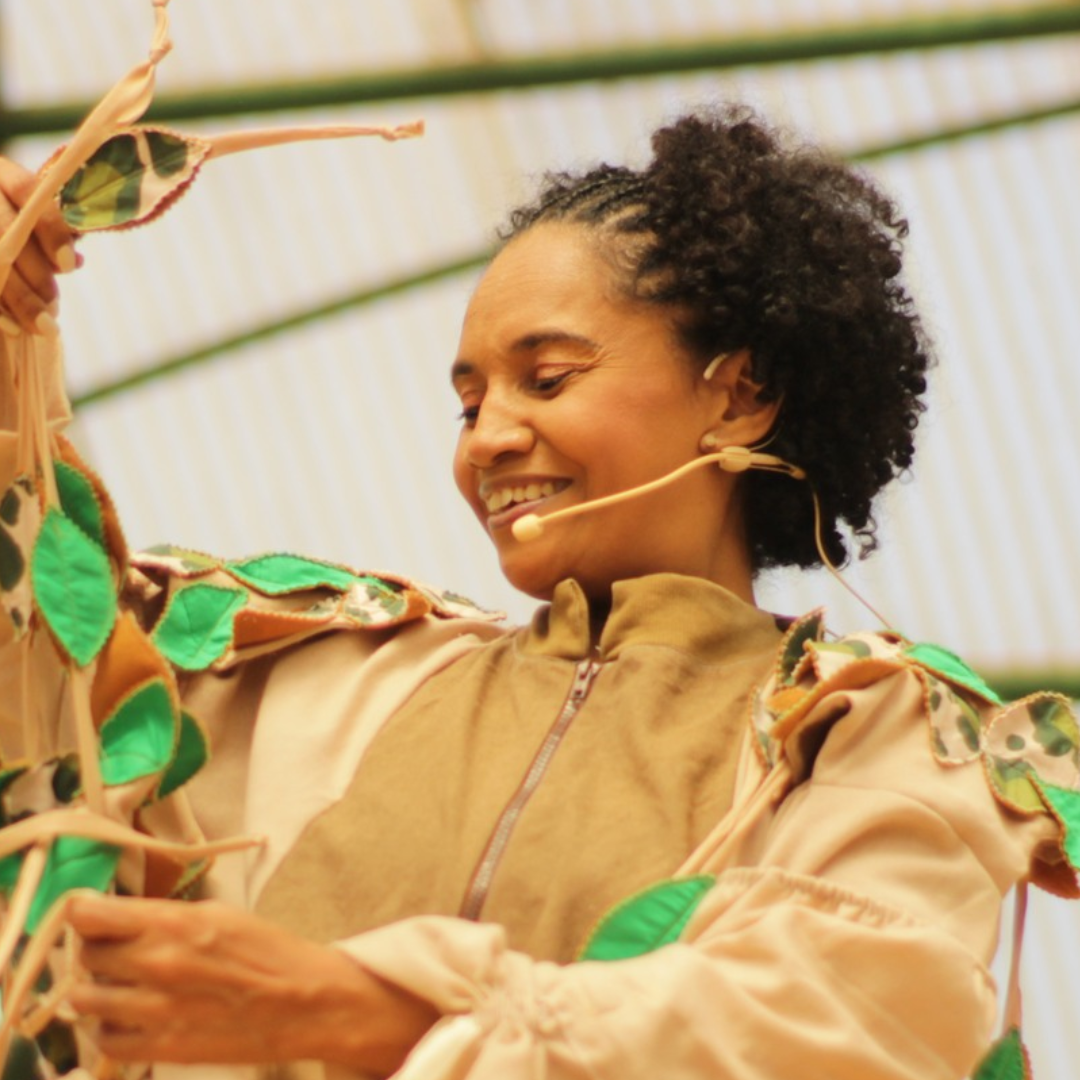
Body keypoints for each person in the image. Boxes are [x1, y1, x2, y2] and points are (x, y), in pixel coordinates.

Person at [0, 106, 1070, 1080]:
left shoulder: (875, 735)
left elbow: (845, 1016)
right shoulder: (301, 664)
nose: (489, 439)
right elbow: (40, 673)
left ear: (741, 396)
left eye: (547, 379)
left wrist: (391, 1011)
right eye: (468, 406)